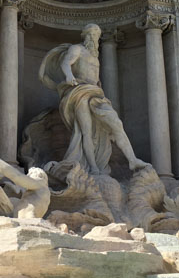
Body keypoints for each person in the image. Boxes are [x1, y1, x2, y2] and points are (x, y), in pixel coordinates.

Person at [39, 23, 150, 175]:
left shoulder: (94, 57)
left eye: (96, 35)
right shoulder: (77, 49)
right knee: (86, 131)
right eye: (91, 34)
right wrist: (69, 75)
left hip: (96, 94)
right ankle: (93, 167)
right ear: (85, 36)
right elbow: (66, 63)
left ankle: (132, 160)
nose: (93, 38)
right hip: (79, 91)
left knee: (116, 123)